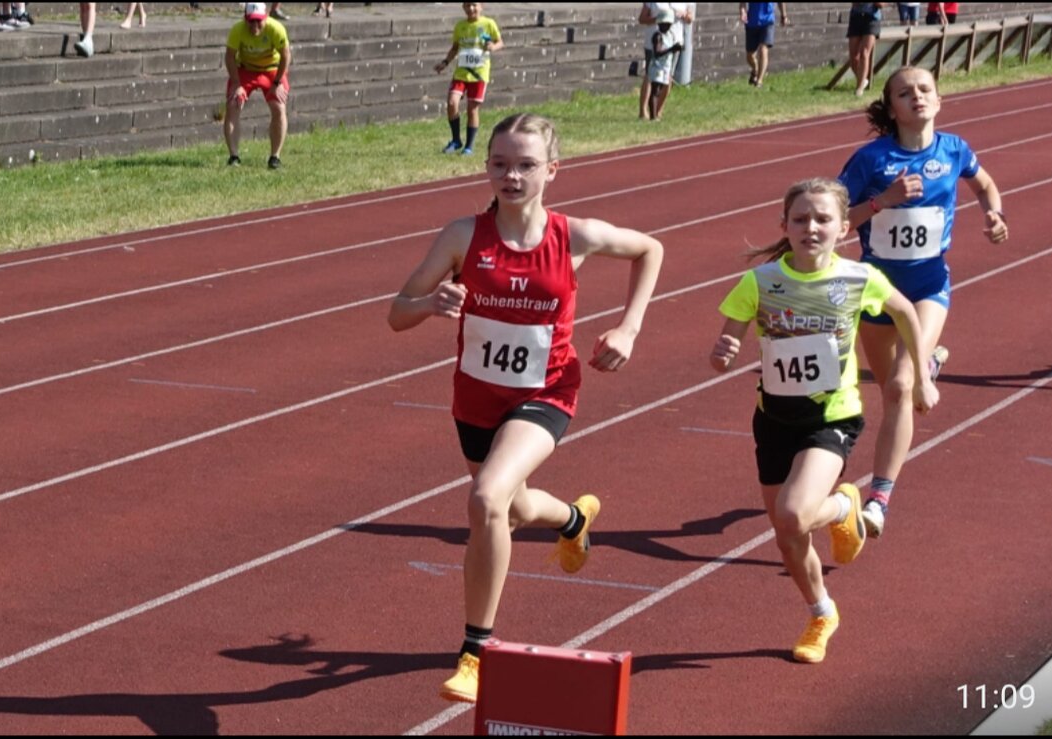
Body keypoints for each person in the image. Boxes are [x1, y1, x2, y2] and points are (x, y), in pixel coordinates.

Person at [388, 113, 663, 702]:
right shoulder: (462, 235)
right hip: (475, 399)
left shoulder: (575, 236)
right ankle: (571, 519)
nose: (511, 176)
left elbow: (650, 249)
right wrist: (431, 303)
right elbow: (397, 312)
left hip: (547, 393)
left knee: (485, 499)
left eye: (526, 165)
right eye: (500, 163)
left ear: (552, 170)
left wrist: (629, 328)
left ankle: (475, 651)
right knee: (507, 509)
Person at [710, 177, 938, 664]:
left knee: (794, 514)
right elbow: (725, 346)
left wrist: (922, 376)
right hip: (773, 417)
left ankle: (842, 509)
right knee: (786, 532)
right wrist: (724, 351)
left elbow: (906, 314)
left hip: (831, 416)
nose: (811, 227)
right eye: (800, 219)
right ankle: (821, 612)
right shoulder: (761, 282)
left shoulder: (860, 278)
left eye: (822, 219)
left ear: (842, 229)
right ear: (784, 226)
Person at [837, 66, 1007, 538]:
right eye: (905, 93)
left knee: (897, 388)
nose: (917, 98)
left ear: (939, 99)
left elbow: (986, 185)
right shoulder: (870, 160)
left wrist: (994, 214)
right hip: (877, 292)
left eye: (925, 89)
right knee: (891, 386)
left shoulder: (955, 149)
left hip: (929, 287)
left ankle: (879, 498)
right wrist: (881, 202)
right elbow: (835, 222)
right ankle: (927, 363)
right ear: (892, 108)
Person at [224, 1, 291, 169]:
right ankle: (234, 156)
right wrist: (237, 83)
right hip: (246, 69)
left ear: (266, 17)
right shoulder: (237, 30)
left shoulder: (276, 29)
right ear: (245, 19)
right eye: (251, 21)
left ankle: (275, 157)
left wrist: (277, 82)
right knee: (233, 104)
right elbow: (229, 57)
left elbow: (285, 57)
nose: (255, 25)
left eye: (258, 21)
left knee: (279, 107)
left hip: (272, 70)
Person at [434, 3, 503, 156]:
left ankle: (469, 146)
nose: (470, 9)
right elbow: (455, 48)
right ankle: (456, 140)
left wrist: (493, 47)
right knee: (452, 102)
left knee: (472, 109)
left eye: (474, 5)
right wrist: (445, 63)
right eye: (467, 5)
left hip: (479, 74)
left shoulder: (488, 23)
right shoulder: (460, 26)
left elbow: (500, 42)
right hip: (461, 73)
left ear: (481, 5)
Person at [638, 2, 693, 120]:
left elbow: (690, 18)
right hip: (654, 42)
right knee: (650, 76)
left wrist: (684, 15)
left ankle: (658, 111)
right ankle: (643, 112)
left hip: (675, 41)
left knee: (668, 78)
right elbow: (642, 18)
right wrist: (659, 19)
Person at [739, 2, 789, 89]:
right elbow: (742, 4)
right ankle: (755, 69)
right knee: (750, 56)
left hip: (767, 21)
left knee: (763, 49)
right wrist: (743, 12)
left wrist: (783, 15)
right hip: (752, 22)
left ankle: (759, 81)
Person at [647, 7, 684, 119]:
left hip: (665, 66)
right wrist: (672, 49)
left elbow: (672, 48)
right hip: (657, 67)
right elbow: (658, 53)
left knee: (660, 89)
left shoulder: (670, 36)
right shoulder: (658, 36)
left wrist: (678, 48)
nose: (667, 26)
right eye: (665, 24)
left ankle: (656, 113)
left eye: (669, 24)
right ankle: (653, 116)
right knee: (655, 90)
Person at [846, 3, 884, 97]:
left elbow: (881, 5)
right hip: (856, 17)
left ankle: (859, 88)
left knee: (864, 53)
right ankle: (863, 80)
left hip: (872, 19)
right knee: (854, 58)